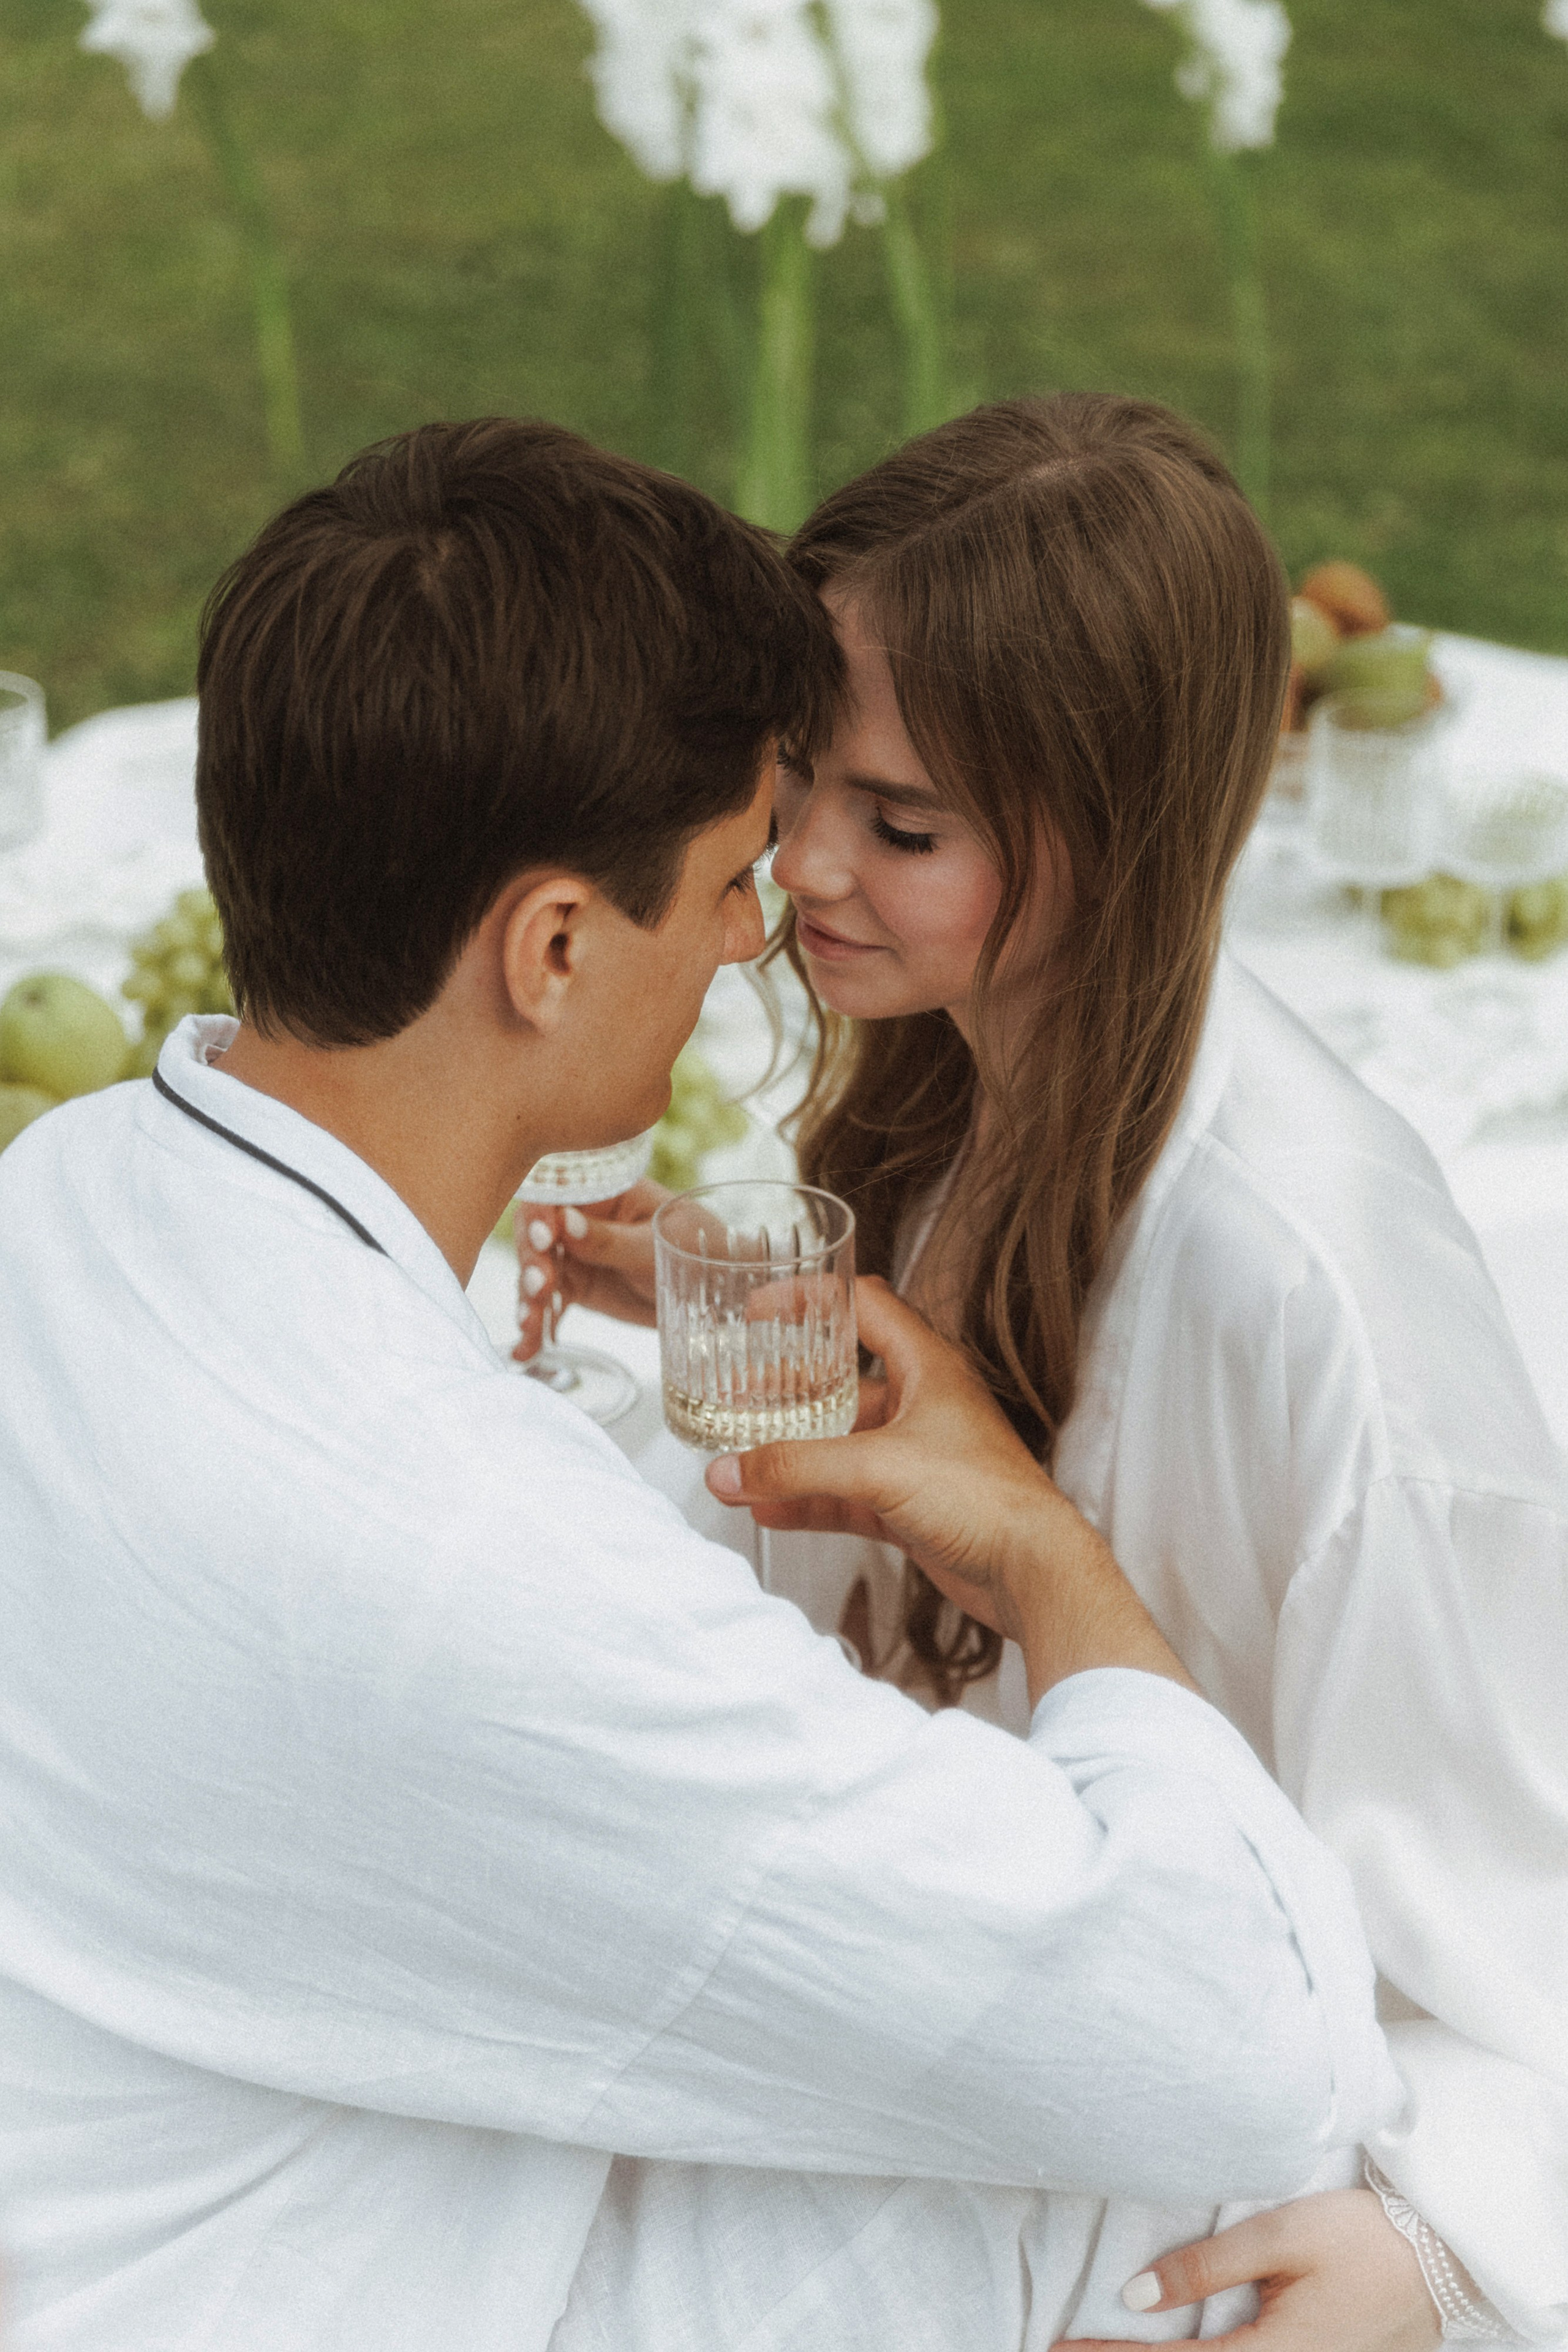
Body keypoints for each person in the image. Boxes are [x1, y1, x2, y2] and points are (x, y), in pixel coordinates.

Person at [0, 419, 1398, 2352]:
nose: (772, 929)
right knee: (1208, 2209)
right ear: (555, 946)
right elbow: (1242, 2033)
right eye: (740, 872)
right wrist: (1037, 1542)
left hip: (141, 2148)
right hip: (287, 2275)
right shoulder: (478, 1568)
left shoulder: (64, 1189)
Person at [520, 396, 1568, 2350]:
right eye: (801, 780)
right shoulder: (950, 1076)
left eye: (903, 828)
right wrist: (752, 1332)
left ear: (1124, 833)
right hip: (974, 2000)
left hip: (1199, 2130)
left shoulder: (1316, 1304)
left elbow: (1516, 1921)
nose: (805, 866)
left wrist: (1433, 2252)